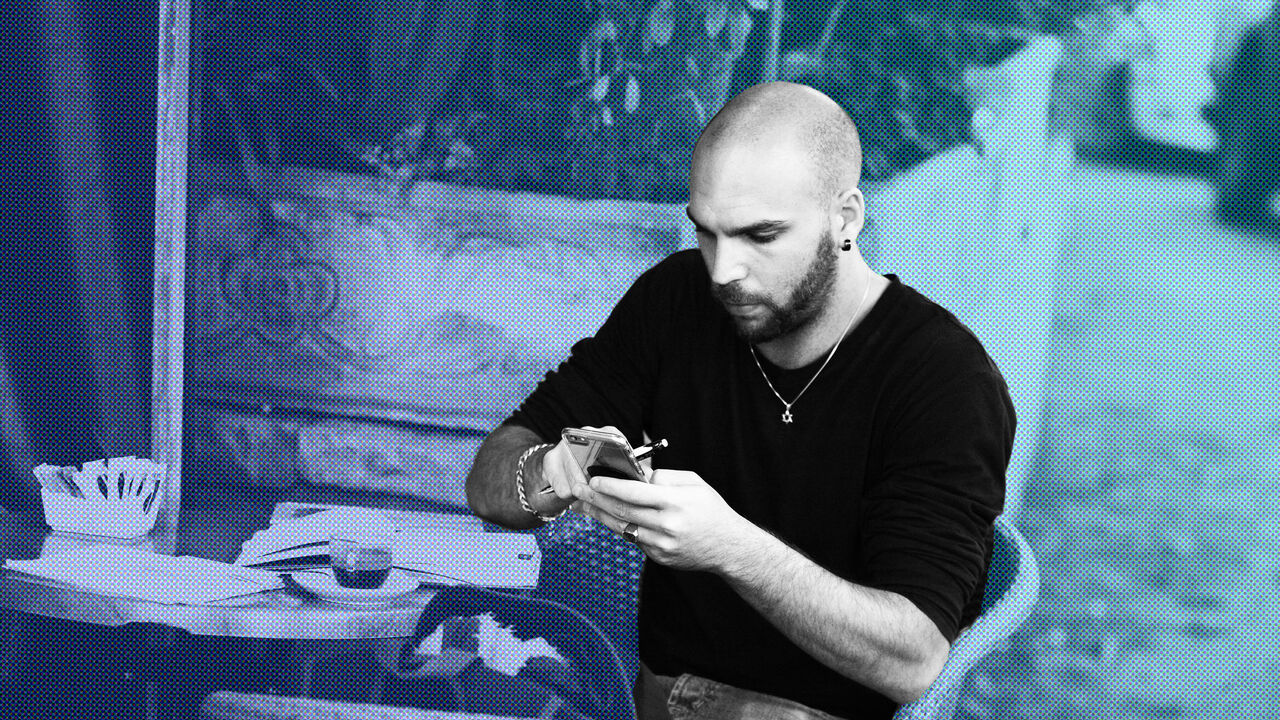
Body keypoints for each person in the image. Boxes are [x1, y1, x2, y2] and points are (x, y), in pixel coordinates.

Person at [466, 82, 1014, 720]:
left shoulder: (944, 379)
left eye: (761, 236)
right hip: (662, 697)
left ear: (846, 219)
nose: (724, 270)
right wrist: (550, 473)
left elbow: (914, 661)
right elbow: (489, 477)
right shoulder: (676, 300)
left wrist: (732, 547)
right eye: (707, 233)